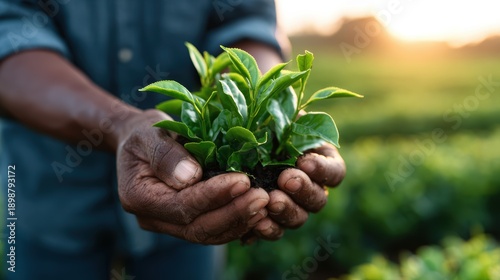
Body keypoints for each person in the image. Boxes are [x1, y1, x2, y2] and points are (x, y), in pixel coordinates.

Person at [0, 0, 346, 279]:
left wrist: (269, 109)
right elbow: (10, 36)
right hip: (48, 196)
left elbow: (246, 22)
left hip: (192, 203)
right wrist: (121, 125)